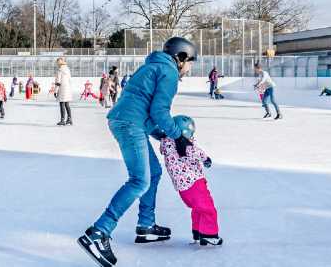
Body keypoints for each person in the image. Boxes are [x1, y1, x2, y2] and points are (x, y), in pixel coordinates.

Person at [79, 37, 195, 267]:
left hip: (128, 121)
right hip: (130, 124)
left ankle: (146, 225)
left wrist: (160, 134)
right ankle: (99, 232)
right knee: (140, 180)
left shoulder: (151, 67)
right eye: (190, 61)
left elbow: (143, 108)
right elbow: (160, 111)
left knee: (153, 172)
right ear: (181, 58)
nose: (190, 68)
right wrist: (177, 135)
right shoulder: (169, 73)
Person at [157, 115, 221, 246]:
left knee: (198, 208)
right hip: (194, 181)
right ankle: (209, 234)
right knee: (207, 208)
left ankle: (199, 232)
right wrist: (206, 159)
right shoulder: (183, 144)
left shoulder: (167, 143)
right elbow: (196, 152)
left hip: (183, 187)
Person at [54, 57, 75, 126]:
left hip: (62, 88)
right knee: (67, 104)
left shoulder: (60, 70)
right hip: (67, 88)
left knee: (62, 104)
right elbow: (70, 80)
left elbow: (58, 82)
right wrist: (69, 88)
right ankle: (69, 119)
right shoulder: (68, 70)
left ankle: (62, 120)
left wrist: (55, 91)